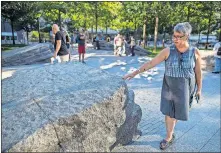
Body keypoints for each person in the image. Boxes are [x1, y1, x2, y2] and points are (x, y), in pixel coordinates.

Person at [123, 22, 202, 150]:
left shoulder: (195, 52)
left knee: (178, 113)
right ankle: (168, 137)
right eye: (174, 36)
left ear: (186, 36)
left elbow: (198, 72)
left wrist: (199, 89)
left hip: (187, 87)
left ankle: (171, 130)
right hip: (170, 86)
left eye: (178, 36)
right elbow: (151, 63)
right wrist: (134, 73)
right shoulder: (167, 51)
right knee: (170, 113)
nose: (175, 39)